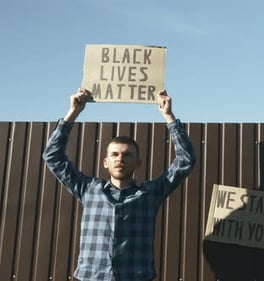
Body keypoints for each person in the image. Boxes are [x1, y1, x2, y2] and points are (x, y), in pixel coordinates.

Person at [42, 88, 196, 281]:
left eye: (127, 154)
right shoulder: (89, 190)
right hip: (91, 277)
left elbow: (186, 160)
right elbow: (52, 156)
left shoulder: (150, 194)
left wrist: (169, 116)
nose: (120, 159)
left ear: (138, 162)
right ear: (105, 162)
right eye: (114, 154)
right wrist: (73, 112)